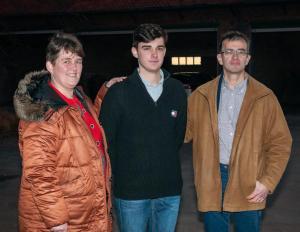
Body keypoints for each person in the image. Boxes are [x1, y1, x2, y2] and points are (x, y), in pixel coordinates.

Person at [185, 30, 292, 232]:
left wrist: (267, 181)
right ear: (220, 57)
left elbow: (281, 143)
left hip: (250, 179)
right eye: (229, 51)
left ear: (248, 58)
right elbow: (182, 132)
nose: (235, 57)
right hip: (212, 178)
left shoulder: (265, 97)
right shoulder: (201, 95)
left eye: (241, 52)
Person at [13, 32, 112, 232]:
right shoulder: (42, 110)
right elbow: (39, 171)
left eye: (78, 61)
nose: (74, 68)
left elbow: (82, 129)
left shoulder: (78, 96)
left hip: (87, 211)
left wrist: (104, 92)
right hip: (66, 219)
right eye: (66, 61)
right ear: (50, 66)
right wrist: (56, 219)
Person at [98, 23, 187, 232]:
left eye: (160, 48)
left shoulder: (176, 90)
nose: (154, 54)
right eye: (147, 48)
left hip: (169, 190)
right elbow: (105, 143)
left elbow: (177, 137)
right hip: (131, 195)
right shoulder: (118, 93)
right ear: (135, 51)